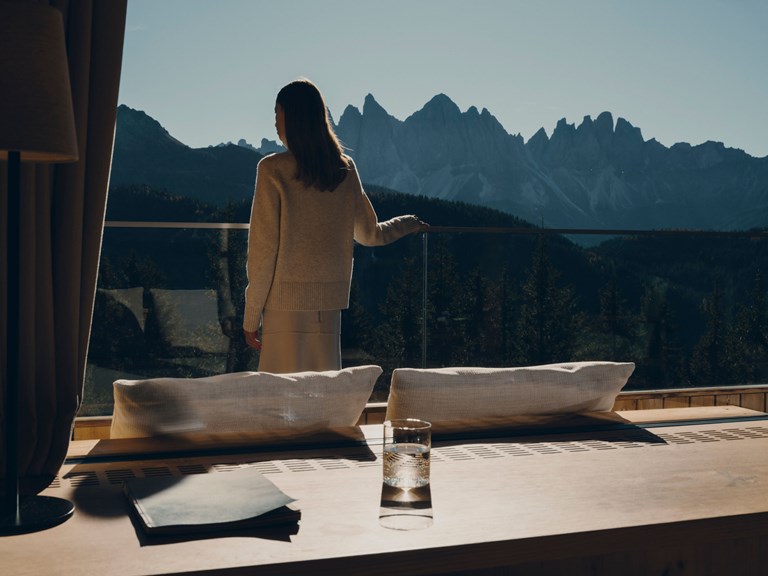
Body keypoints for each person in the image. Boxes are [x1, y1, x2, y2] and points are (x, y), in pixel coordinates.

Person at [243, 78, 427, 373]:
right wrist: (407, 224)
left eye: (277, 114)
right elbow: (370, 234)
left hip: (283, 310)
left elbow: (263, 251)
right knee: (323, 400)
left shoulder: (271, 169)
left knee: (283, 403)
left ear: (293, 117)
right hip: (328, 311)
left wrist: (251, 317)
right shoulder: (344, 168)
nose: (275, 124)